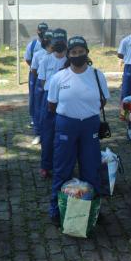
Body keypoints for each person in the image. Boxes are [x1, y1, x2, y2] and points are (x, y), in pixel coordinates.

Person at [47, 36, 110, 225]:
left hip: (90, 125)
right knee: (62, 169)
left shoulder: (97, 75)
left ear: (87, 52)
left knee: (91, 168)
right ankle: (57, 210)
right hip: (66, 125)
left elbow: (103, 100)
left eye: (80, 51)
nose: (77, 55)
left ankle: (92, 210)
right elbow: (52, 105)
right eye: (73, 52)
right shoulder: (59, 77)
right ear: (68, 54)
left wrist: (86, 112)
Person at [37, 29, 68, 179]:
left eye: (62, 42)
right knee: (47, 133)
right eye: (57, 42)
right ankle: (45, 165)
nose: (59, 44)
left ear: (66, 43)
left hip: (66, 99)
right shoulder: (46, 60)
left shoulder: (70, 60)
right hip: (48, 99)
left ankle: (62, 164)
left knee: (64, 134)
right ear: (52, 43)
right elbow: (43, 81)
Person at [30, 30, 54, 145]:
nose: (50, 45)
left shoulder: (58, 54)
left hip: (54, 87)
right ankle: (38, 133)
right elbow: (34, 70)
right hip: (41, 84)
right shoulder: (38, 54)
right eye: (47, 42)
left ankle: (51, 133)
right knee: (38, 109)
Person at [25, 23, 49, 128]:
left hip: (47, 75)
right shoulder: (32, 44)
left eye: (44, 30)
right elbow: (28, 59)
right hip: (34, 74)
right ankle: (33, 119)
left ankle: (44, 118)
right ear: (37, 31)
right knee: (34, 96)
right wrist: (36, 69)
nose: (42, 32)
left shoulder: (50, 43)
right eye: (41, 30)